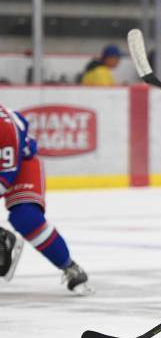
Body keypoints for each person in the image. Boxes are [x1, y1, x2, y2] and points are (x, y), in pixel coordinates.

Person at [0, 104, 93, 295]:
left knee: (26, 217)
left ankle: (69, 265)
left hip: (20, 165)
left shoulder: (4, 127)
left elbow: (5, 176)